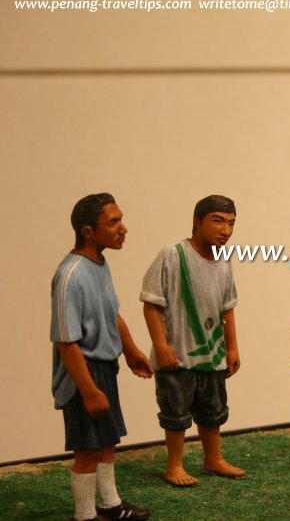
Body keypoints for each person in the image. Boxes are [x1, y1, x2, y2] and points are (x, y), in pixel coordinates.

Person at [50, 193, 153, 521]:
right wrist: (89, 390)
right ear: (88, 231)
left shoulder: (100, 264)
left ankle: (109, 505)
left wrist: (132, 350)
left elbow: (112, 312)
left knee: (107, 441)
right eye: (113, 222)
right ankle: (84, 514)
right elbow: (67, 343)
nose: (123, 229)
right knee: (87, 449)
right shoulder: (70, 276)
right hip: (84, 373)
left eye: (121, 219)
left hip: (105, 368)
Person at [140, 195, 244, 487]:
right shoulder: (172, 255)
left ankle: (213, 458)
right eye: (218, 221)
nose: (226, 230)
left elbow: (228, 306)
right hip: (178, 354)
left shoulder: (223, 261)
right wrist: (161, 346)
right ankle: (174, 465)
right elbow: (151, 304)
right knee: (176, 410)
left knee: (213, 409)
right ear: (197, 221)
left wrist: (232, 346)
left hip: (212, 354)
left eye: (231, 223)